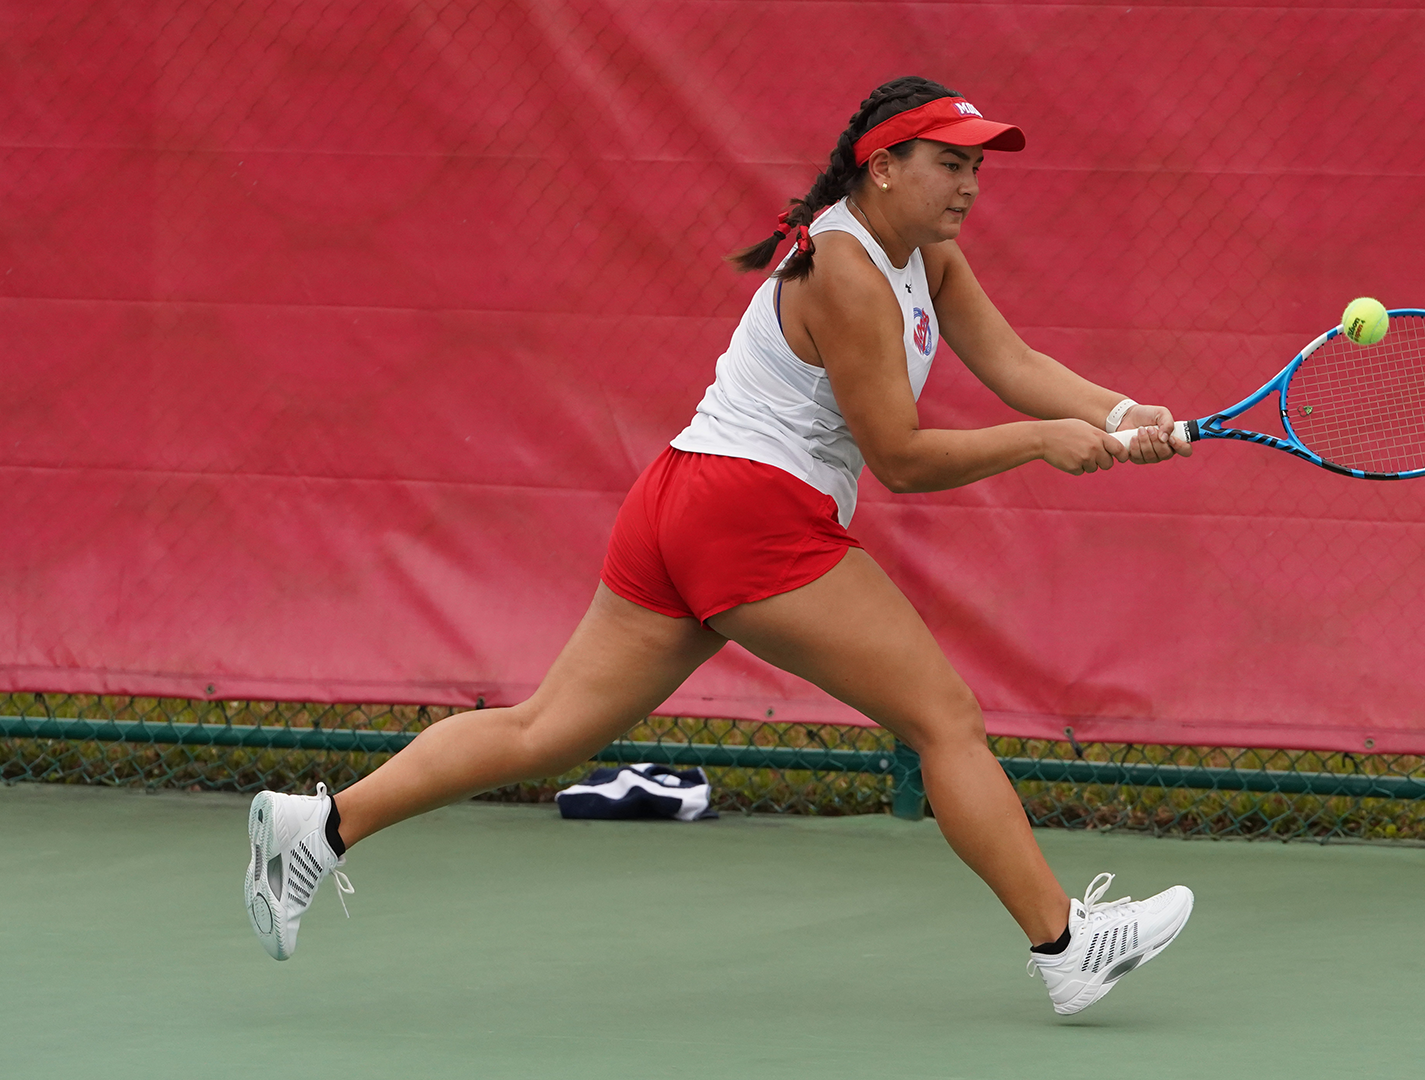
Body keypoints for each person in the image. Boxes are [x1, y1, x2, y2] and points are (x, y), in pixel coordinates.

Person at [243, 76, 1194, 1016]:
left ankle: (319, 827)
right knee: (947, 721)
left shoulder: (925, 255)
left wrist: (1115, 412)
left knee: (550, 730)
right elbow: (899, 460)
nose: (969, 186)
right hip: (752, 515)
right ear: (884, 165)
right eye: (949, 164)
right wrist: (1041, 443)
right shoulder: (849, 274)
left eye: (976, 166)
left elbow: (1013, 362)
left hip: (682, 497)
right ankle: (1067, 947)